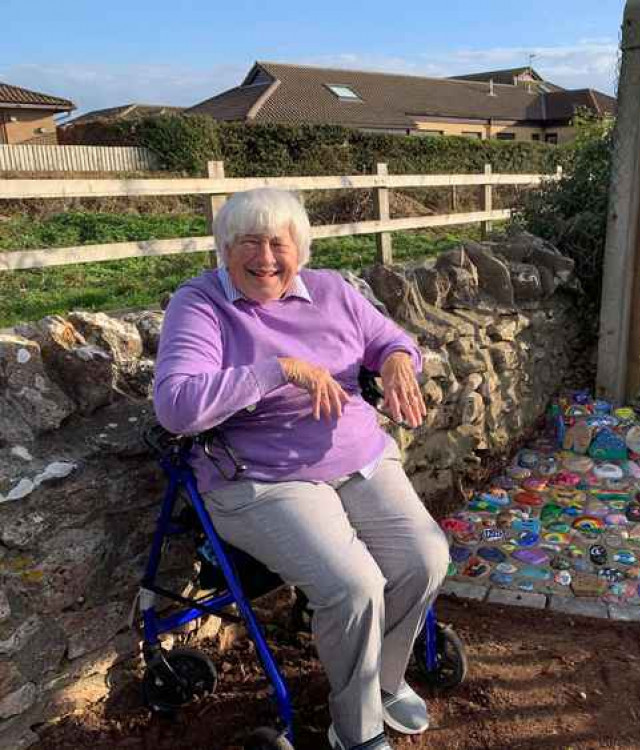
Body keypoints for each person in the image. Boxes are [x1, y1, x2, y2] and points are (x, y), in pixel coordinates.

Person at [153, 187, 449, 750]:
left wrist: (394, 363)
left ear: (301, 249)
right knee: (354, 585)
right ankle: (355, 728)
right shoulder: (200, 304)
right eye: (248, 242)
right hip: (263, 477)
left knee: (426, 558)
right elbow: (175, 406)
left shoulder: (334, 291)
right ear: (224, 248)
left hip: (358, 456)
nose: (264, 257)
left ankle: (384, 680)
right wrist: (277, 369)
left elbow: (392, 339)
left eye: (278, 243)